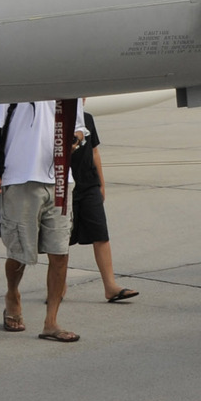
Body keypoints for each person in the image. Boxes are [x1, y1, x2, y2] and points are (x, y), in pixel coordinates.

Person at [0, 99, 87, 342]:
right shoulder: (15, 80)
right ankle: (12, 294)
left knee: (60, 253)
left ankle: (51, 322)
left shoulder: (68, 87)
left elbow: (80, 127)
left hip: (60, 179)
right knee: (19, 254)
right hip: (20, 178)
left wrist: (75, 140)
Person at [71, 111, 137, 303]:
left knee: (100, 233)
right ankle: (57, 286)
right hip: (66, 185)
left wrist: (101, 183)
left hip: (89, 184)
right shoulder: (55, 117)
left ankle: (110, 286)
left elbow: (94, 151)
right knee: (61, 240)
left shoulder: (87, 118)